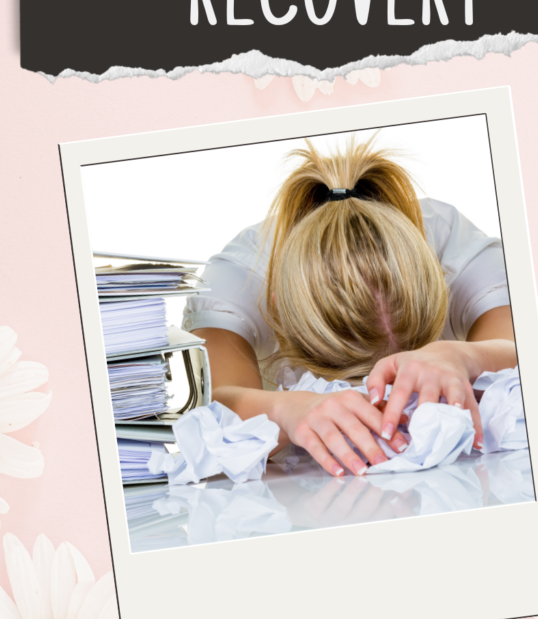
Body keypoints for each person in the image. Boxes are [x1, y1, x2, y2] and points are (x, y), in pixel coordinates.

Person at [183, 137, 516, 478]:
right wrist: (283, 408)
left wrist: (464, 356)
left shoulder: (464, 256)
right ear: (277, 307)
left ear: (442, 283)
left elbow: (525, 351)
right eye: (347, 383)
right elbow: (212, 404)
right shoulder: (235, 279)